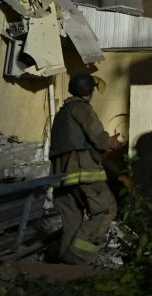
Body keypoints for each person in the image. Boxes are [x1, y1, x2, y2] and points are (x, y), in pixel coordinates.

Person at [49, 72, 123, 265]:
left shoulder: (61, 113)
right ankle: (78, 258)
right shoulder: (82, 108)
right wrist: (111, 142)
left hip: (61, 176)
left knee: (73, 220)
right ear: (89, 92)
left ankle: (65, 268)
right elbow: (99, 138)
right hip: (83, 172)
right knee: (106, 209)